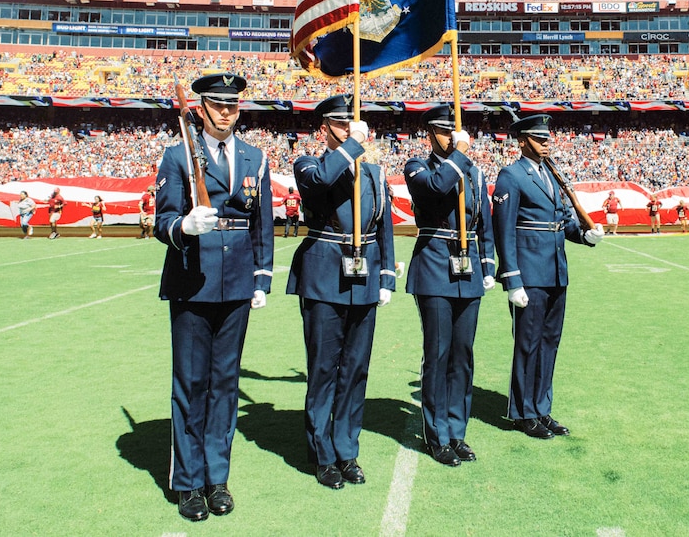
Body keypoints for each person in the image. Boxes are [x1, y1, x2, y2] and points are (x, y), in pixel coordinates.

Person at [154, 72, 273, 522]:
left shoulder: (254, 157)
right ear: (201, 108)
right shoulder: (178, 155)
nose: (227, 112)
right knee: (191, 383)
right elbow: (162, 219)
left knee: (225, 383)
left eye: (233, 105)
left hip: (238, 282)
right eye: (218, 105)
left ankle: (216, 478)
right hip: (192, 278)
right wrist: (183, 227)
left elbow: (262, 223)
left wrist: (261, 279)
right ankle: (187, 481)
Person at [286, 94, 396, 490]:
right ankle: (322, 454)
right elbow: (318, 185)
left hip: (364, 276)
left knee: (355, 369)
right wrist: (351, 146)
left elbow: (383, 225)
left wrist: (386, 275)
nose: (349, 129)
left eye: (352, 124)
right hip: (323, 275)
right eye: (341, 124)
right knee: (323, 369)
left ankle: (346, 448)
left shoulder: (373, 172)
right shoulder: (308, 163)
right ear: (326, 128)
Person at [491, 114, 603, 441]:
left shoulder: (552, 176)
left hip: (555, 271)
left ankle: (541, 407)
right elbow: (504, 231)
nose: (546, 143)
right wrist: (512, 279)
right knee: (527, 344)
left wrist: (584, 236)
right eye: (539, 139)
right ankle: (523, 412)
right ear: (522, 141)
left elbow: (562, 222)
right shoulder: (512, 175)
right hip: (529, 274)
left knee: (549, 343)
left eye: (547, 139)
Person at [404, 105, 496, 467]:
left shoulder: (473, 172)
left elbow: (484, 222)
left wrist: (487, 264)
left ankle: (457, 431)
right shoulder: (418, 167)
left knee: (463, 355)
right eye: (444, 132)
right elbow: (436, 188)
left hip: (467, 268)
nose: (450, 138)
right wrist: (459, 155)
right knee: (438, 354)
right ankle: (436, 434)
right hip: (433, 268)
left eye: (453, 132)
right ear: (430, 133)